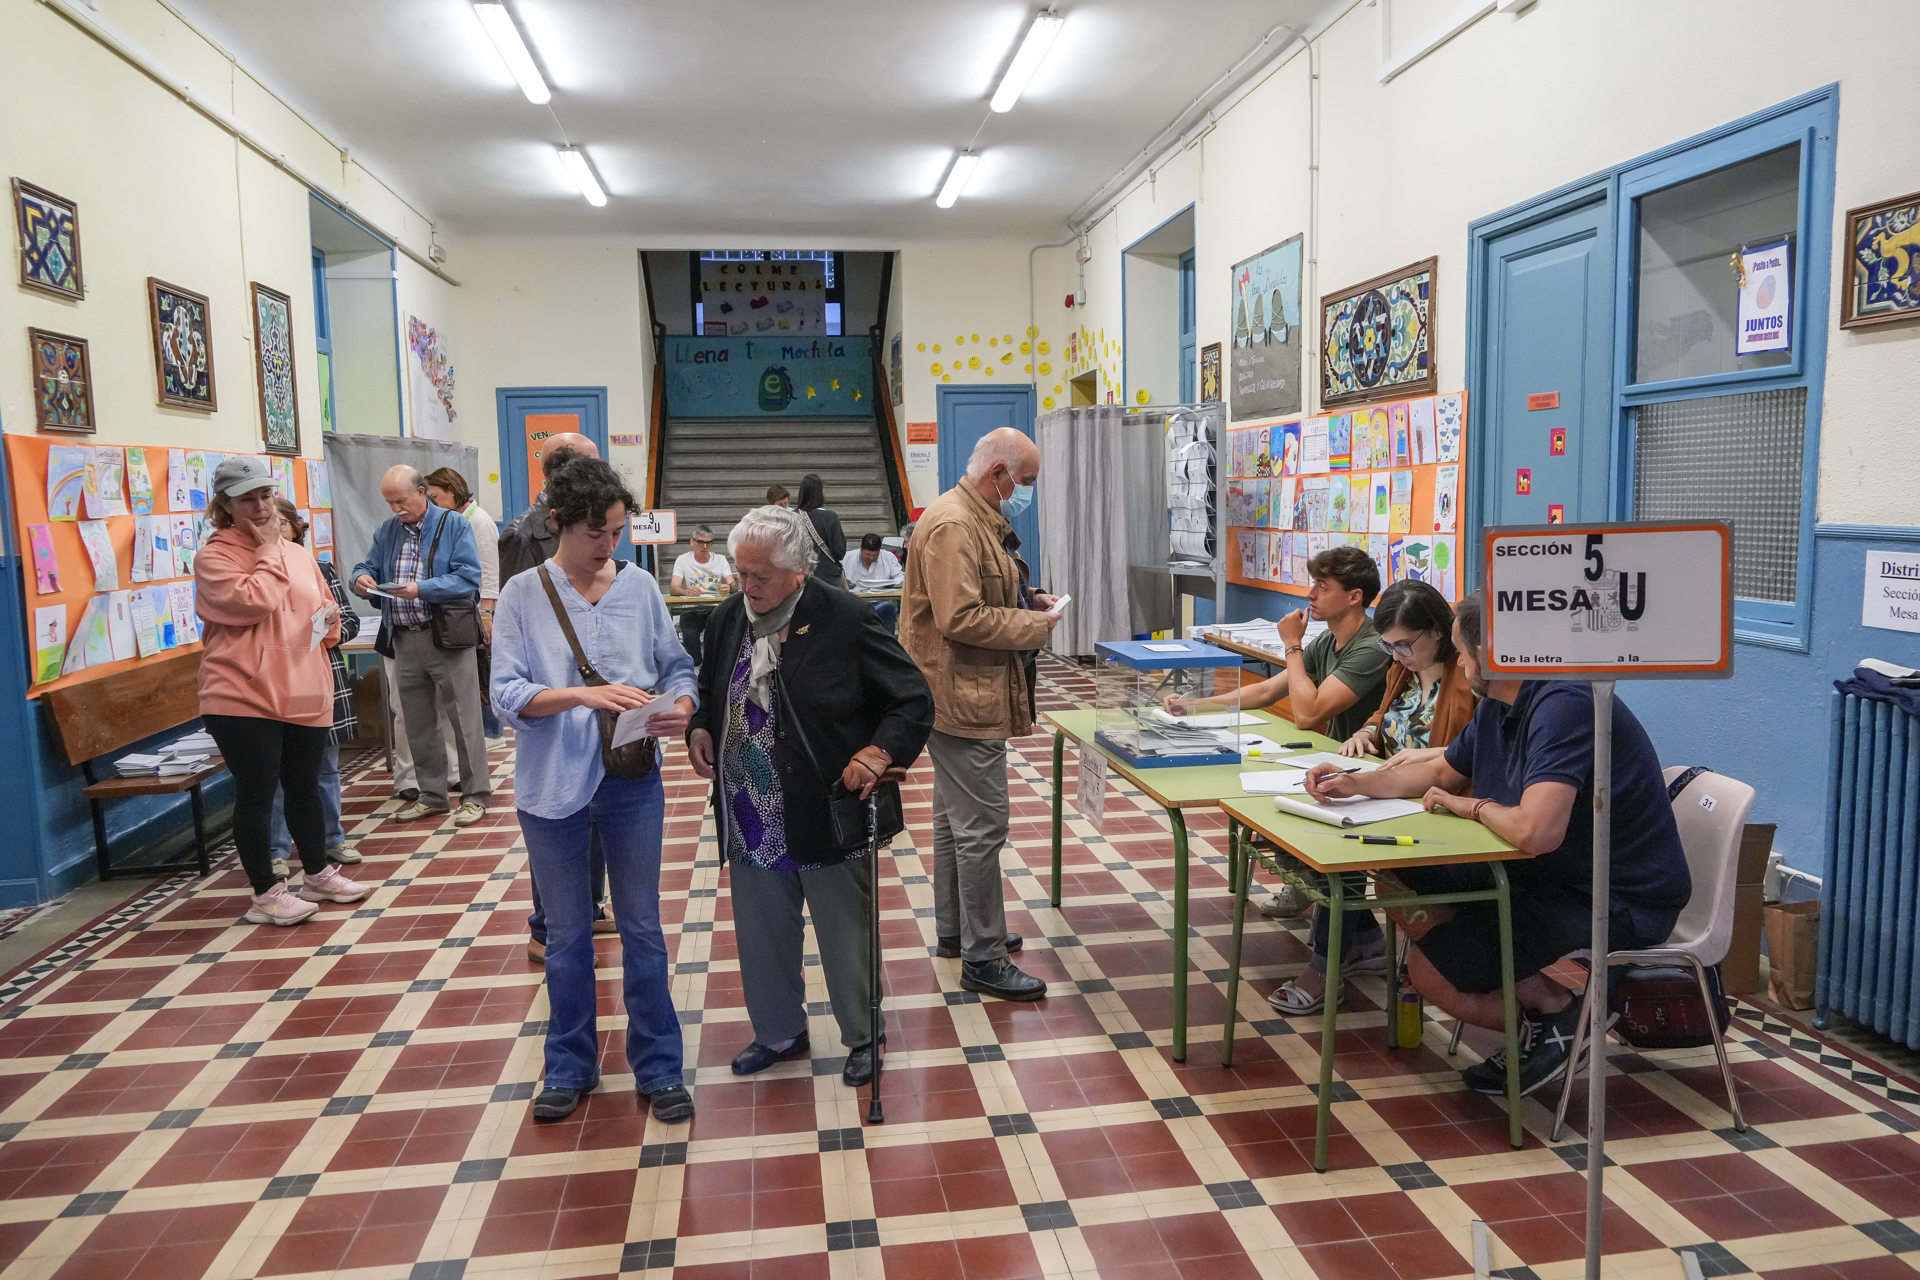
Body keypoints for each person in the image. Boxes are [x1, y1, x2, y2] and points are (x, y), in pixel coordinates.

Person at [1300, 591, 1692, 1096]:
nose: (1459, 662)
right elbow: (1442, 771)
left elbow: (1535, 830)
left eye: (1463, 652)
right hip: (1546, 871)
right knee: (1400, 874)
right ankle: (1552, 1009)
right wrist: (1356, 782)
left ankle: (1561, 1017)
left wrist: (1471, 806)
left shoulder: (1565, 705)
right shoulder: (1501, 705)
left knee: (1432, 974)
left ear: (1498, 655)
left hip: (1611, 895)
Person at [687, 506, 933, 1087]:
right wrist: (701, 725)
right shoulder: (729, 619)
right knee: (762, 930)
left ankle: (863, 1034)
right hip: (751, 811)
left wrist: (876, 754)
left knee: (845, 931)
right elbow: (709, 685)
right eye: (742, 572)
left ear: (798, 570)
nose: (747, 586)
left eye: (761, 576)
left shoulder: (845, 618)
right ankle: (778, 1030)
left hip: (826, 804)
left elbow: (911, 699)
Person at [491, 455, 700, 1124]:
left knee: (642, 926)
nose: (607, 547)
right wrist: (581, 693)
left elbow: (676, 666)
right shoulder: (524, 593)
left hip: (631, 780)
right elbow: (505, 694)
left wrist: (682, 705)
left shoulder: (639, 586)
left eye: (617, 532)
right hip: (551, 788)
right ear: (557, 523)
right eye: (594, 534)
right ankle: (570, 1064)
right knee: (568, 934)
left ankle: (660, 1066)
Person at [899, 428, 1061, 1000]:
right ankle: (984, 958)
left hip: (958, 689)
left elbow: (987, 585)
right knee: (982, 826)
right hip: (959, 694)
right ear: (999, 474)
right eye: (1027, 482)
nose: (1027, 493)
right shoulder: (953, 524)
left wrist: (1028, 596)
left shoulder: (970, 516)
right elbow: (960, 616)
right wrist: (1035, 626)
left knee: (953, 819)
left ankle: (958, 932)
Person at [1269, 580, 1477, 1016]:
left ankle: (1325, 971)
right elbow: (1384, 714)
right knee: (1290, 831)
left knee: (1338, 856)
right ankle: (1363, 940)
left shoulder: (1466, 681)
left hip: (1437, 807)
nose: (1398, 655)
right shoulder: (1402, 668)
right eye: (1390, 647)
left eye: (1405, 645)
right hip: (1393, 796)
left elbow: (1466, 757)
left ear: (1438, 632)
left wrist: (1367, 782)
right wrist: (1367, 731)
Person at [195, 456, 369, 926]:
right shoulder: (216, 555)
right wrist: (269, 550)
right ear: (225, 506)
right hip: (243, 695)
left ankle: (317, 873)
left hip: (303, 688)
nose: (260, 506)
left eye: (266, 495)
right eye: (246, 499)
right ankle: (266, 894)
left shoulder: (297, 553)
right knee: (257, 792)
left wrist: (330, 622)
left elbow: (322, 609)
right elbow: (254, 602)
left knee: (305, 788)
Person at [350, 465, 490, 828]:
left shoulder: (453, 525)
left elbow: (468, 578)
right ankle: (432, 795)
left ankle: (475, 797)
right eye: (389, 502)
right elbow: (365, 565)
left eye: (401, 500)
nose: (395, 508)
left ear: (422, 492)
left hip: (445, 636)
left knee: (464, 720)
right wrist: (360, 578)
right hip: (404, 637)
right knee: (417, 722)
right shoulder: (388, 531)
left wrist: (420, 589)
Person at [266, 499, 364, 879]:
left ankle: (331, 837)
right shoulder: (257, 572)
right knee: (277, 775)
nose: (275, 530)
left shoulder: (317, 567)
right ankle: (276, 850)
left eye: (282, 523)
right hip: (277, 684)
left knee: (325, 767)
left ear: (295, 528)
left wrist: (333, 624)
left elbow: (351, 621)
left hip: (322, 678)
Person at [426, 467, 503, 739]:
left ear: (452, 490)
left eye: (436, 496)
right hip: (460, 611)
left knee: (482, 672)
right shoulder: (451, 520)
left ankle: (490, 734)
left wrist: (487, 613)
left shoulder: (477, 521)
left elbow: (491, 572)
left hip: (478, 610)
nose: (432, 504)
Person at [498, 432, 600, 584]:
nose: (599, 474)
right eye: (589, 467)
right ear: (556, 471)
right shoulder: (521, 535)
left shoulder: (594, 519)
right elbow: (517, 603)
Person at [670, 524, 735, 666]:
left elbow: (734, 585)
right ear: (692, 542)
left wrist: (729, 587)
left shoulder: (720, 560)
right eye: (701, 542)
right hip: (692, 608)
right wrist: (686, 591)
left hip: (715, 608)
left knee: (719, 634)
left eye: (708, 543)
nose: (704, 546)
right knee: (690, 634)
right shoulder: (683, 560)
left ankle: (714, 667)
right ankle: (696, 665)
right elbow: (673, 588)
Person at [840, 532, 904, 629]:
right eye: (868, 554)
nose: (871, 558)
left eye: (875, 555)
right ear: (861, 548)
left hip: (881, 601)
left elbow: (901, 577)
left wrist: (892, 583)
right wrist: (843, 580)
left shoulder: (888, 557)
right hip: (855, 601)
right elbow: (837, 574)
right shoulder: (847, 557)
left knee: (888, 608)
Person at [794, 473, 846, 584]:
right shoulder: (831, 517)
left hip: (801, 576)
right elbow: (839, 551)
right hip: (828, 577)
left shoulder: (792, 517)